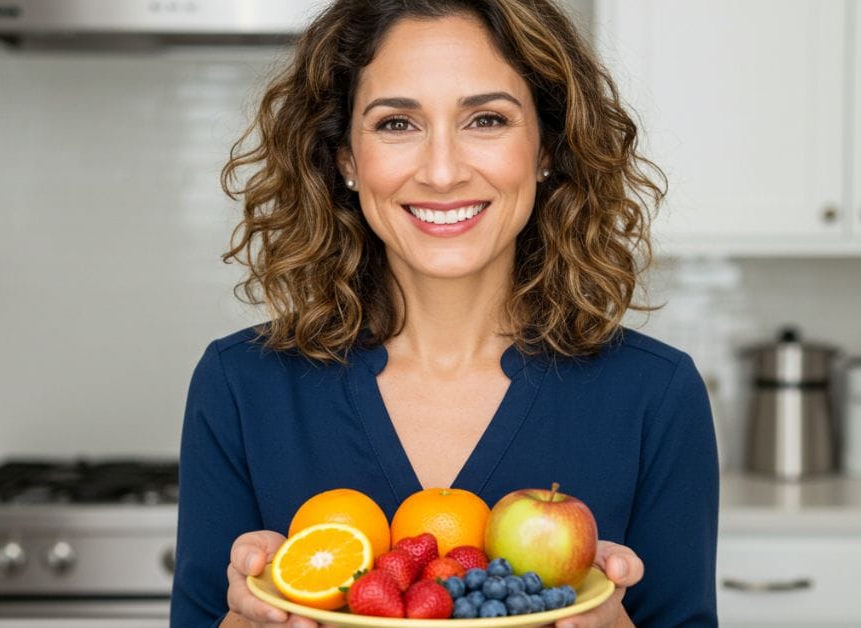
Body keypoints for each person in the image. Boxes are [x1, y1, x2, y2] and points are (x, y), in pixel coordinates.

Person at [171, 0, 719, 626]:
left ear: (547, 147)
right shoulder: (241, 384)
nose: (441, 171)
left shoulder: (655, 395)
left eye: (486, 119)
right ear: (346, 158)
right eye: (397, 124)